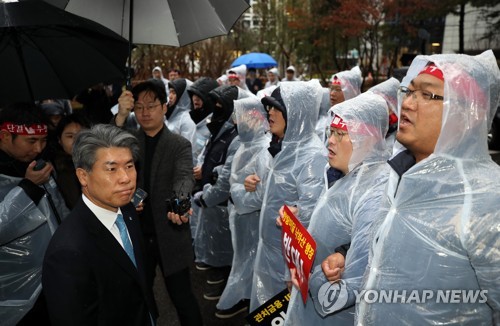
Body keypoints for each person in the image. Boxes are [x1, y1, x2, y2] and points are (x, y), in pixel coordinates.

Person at [357, 50, 500, 324]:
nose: (408, 104)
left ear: (466, 113)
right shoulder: (400, 176)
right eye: (408, 92)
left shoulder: (488, 199)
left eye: (427, 94)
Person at [284, 91, 392, 325]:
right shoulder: (343, 175)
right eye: (331, 132)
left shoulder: (373, 190)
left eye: (341, 133)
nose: (330, 140)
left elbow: (352, 282)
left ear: (368, 139)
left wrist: (310, 278)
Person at [42, 124, 158, 325]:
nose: (125, 178)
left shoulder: (127, 210)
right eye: (111, 169)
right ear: (83, 176)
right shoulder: (67, 252)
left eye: (129, 166)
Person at [114, 80, 203, 325]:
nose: (144, 112)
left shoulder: (178, 144)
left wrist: (180, 202)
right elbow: (104, 149)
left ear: (164, 107)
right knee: (136, 295)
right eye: (139, 107)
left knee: (182, 297)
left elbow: (185, 177)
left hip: (170, 233)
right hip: (136, 234)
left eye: (151, 106)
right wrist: (121, 116)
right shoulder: (129, 142)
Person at [247, 80, 327, 312]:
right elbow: (275, 195)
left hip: (287, 265)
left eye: (276, 107)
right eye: (268, 107)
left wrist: (292, 272)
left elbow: (309, 219)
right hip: (269, 254)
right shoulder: (281, 147)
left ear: (296, 113)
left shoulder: (311, 156)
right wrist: (252, 184)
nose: (269, 112)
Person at [0, 103, 70, 325]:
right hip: (14, 288)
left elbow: (59, 209)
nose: (39, 148)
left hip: (54, 275)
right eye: (31, 141)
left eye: (43, 140)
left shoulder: (38, 165)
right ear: (4, 136)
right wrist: (28, 188)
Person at [215, 96, 271, 319]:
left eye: (241, 116)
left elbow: (258, 194)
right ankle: (246, 298)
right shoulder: (244, 144)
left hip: (251, 218)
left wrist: (236, 191)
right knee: (244, 258)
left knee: (250, 260)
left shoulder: (263, 148)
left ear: (256, 118)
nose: (237, 122)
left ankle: (245, 301)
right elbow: (235, 176)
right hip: (239, 215)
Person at [191, 85, 241, 300]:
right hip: (211, 198)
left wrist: (209, 194)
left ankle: (226, 286)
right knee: (216, 250)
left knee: (226, 255)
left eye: (221, 104)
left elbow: (227, 179)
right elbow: (207, 152)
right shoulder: (219, 128)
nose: (216, 108)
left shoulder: (235, 136)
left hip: (220, 202)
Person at [187, 77, 219, 238]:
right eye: (193, 95)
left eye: (200, 96)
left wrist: (205, 170)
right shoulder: (195, 119)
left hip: (204, 187)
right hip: (191, 184)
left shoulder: (214, 124)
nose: (195, 99)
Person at [52, 112, 92, 209]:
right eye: (70, 136)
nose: (76, 140)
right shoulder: (54, 170)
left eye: (81, 135)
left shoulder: (99, 162)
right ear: (59, 140)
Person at [166, 78, 196, 145]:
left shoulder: (187, 120)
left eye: (174, 93)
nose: (170, 96)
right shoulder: (169, 113)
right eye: (170, 92)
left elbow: (186, 149)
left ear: (184, 96)